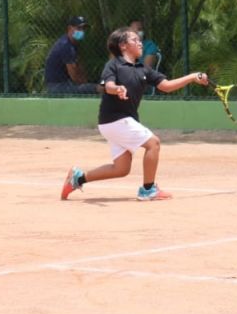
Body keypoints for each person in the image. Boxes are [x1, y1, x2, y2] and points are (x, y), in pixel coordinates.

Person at [60, 27, 210, 201]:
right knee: (153, 144)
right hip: (114, 119)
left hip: (119, 122)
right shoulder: (114, 65)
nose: (140, 42)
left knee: (121, 169)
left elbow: (166, 86)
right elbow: (108, 86)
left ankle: (77, 178)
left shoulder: (143, 69)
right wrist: (117, 89)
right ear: (123, 46)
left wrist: (192, 77)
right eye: (135, 40)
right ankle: (148, 189)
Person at [44, 16, 99, 94]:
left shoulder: (73, 44)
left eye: (83, 29)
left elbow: (79, 68)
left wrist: (86, 84)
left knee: (92, 87)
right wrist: (87, 86)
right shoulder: (66, 45)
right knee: (98, 88)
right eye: (79, 28)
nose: (82, 31)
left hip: (65, 84)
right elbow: (74, 75)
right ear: (70, 28)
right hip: (57, 87)